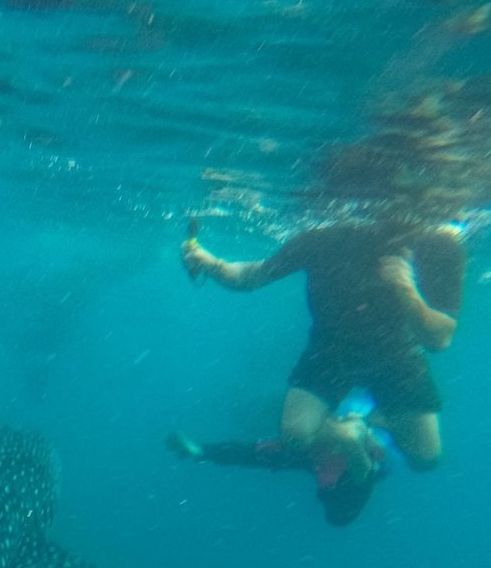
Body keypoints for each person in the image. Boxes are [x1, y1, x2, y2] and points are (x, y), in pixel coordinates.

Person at [168, 217, 466, 525]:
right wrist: (209, 262)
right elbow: (251, 276)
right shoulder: (322, 238)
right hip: (332, 348)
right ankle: (363, 425)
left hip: (397, 354)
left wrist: (405, 288)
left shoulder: (437, 242)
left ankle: (364, 424)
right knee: (296, 435)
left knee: (427, 459)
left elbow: (439, 339)